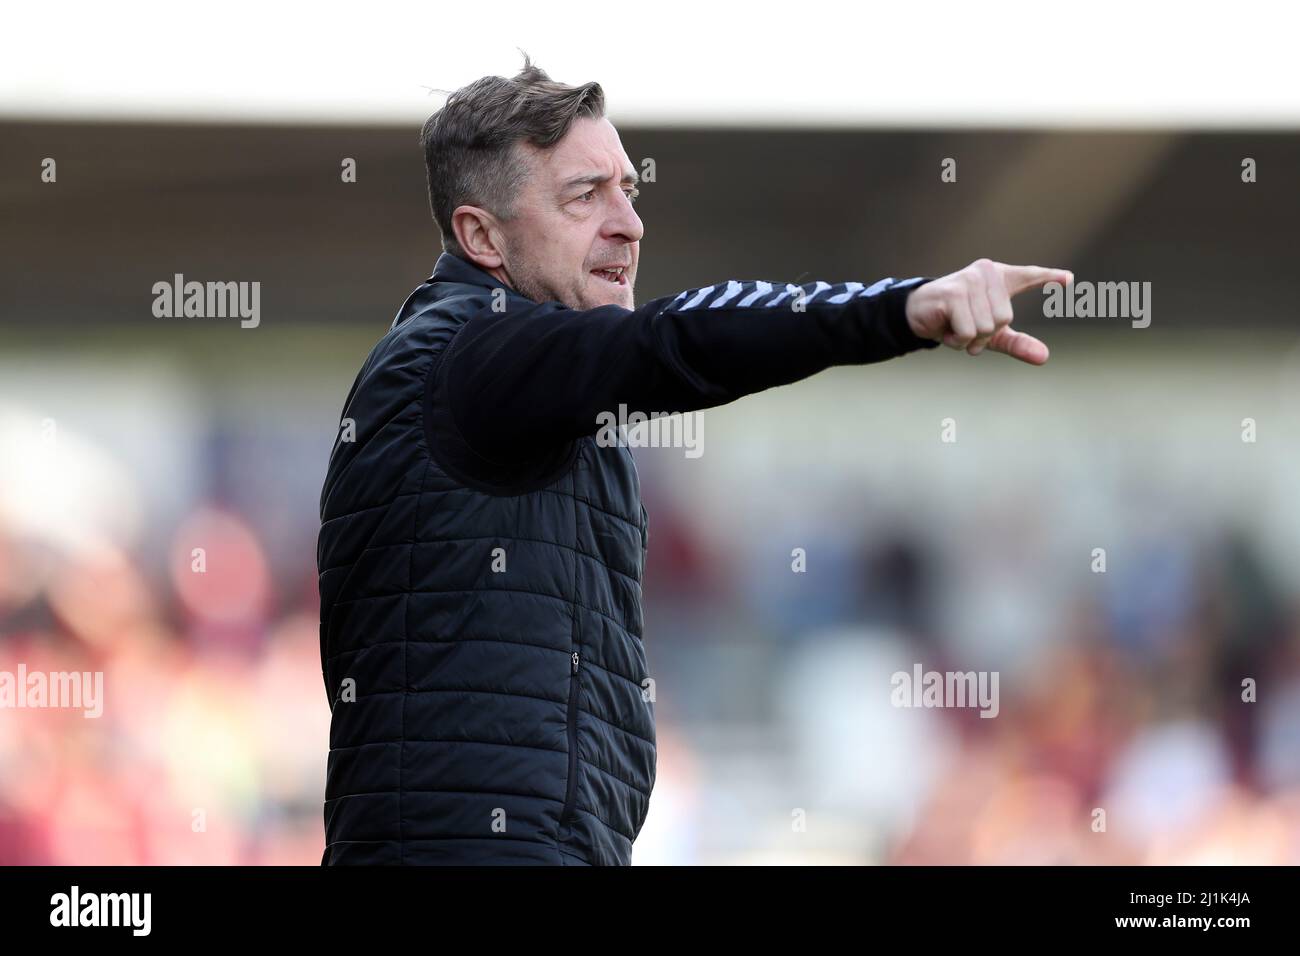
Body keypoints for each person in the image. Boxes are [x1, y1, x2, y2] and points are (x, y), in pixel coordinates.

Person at [317, 53, 1072, 865]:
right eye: (584, 196)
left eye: (627, 191)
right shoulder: (464, 356)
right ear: (480, 236)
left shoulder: (530, 385)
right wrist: (899, 310)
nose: (629, 224)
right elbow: (677, 339)